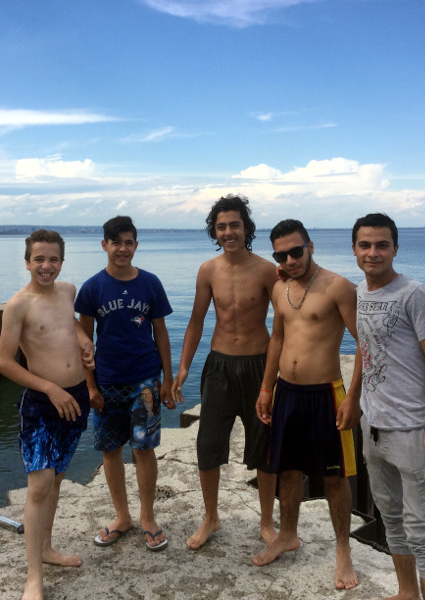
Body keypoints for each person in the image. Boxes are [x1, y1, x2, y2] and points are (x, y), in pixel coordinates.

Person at [253, 218, 362, 591]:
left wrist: (353, 396)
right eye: (280, 254)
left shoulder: (339, 287)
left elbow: (364, 344)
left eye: (295, 251)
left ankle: (343, 549)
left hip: (324, 393)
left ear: (310, 246)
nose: (289, 259)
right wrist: (266, 388)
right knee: (287, 469)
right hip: (286, 392)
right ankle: (287, 534)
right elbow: (277, 340)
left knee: (334, 477)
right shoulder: (280, 287)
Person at [352, 213, 425, 600]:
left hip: (413, 432)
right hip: (373, 429)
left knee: (424, 533)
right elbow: (364, 348)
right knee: (391, 520)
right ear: (355, 249)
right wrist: (353, 402)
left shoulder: (414, 293)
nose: (373, 253)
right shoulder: (358, 293)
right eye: (365, 245)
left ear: (395, 248)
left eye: (381, 245)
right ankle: (406, 592)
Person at [172, 194, 278, 549]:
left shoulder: (266, 270)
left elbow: (285, 324)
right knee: (208, 444)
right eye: (222, 227)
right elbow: (196, 322)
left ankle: (266, 521)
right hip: (219, 365)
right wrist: (183, 367)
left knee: (263, 445)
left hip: (258, 365)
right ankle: (211, 518)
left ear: (246, 228)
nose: (229, 232)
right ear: (214, 232)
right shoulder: (208, 270)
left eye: (235, 225)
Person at [0, 229, 95, 600]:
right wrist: (49, 388)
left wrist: (85, 340)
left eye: (53, 259)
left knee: (56, 479)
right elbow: (4, 362)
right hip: (41, 402)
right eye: (39, 259)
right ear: (27, 262)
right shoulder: (18, 305)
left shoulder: (68, 291)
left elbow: (69, 324)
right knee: (39, 484)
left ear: (61, 262)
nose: (46, 266)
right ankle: (33, 577)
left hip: (75, 399)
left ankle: (47, 548)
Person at [75, 215, 175, 552]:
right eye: (116, 242)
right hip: (106, 381)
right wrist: (89, 386)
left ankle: (148, 517)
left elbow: (160, 333)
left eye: (128, 242)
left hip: (145, 380)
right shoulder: (92, 288)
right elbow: (84, 341)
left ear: (136, 245)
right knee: (110, 449)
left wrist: (167, 378)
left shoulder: (150, 283)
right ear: (104, 245)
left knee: (143, 449)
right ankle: (123, 517)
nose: (122, 249)